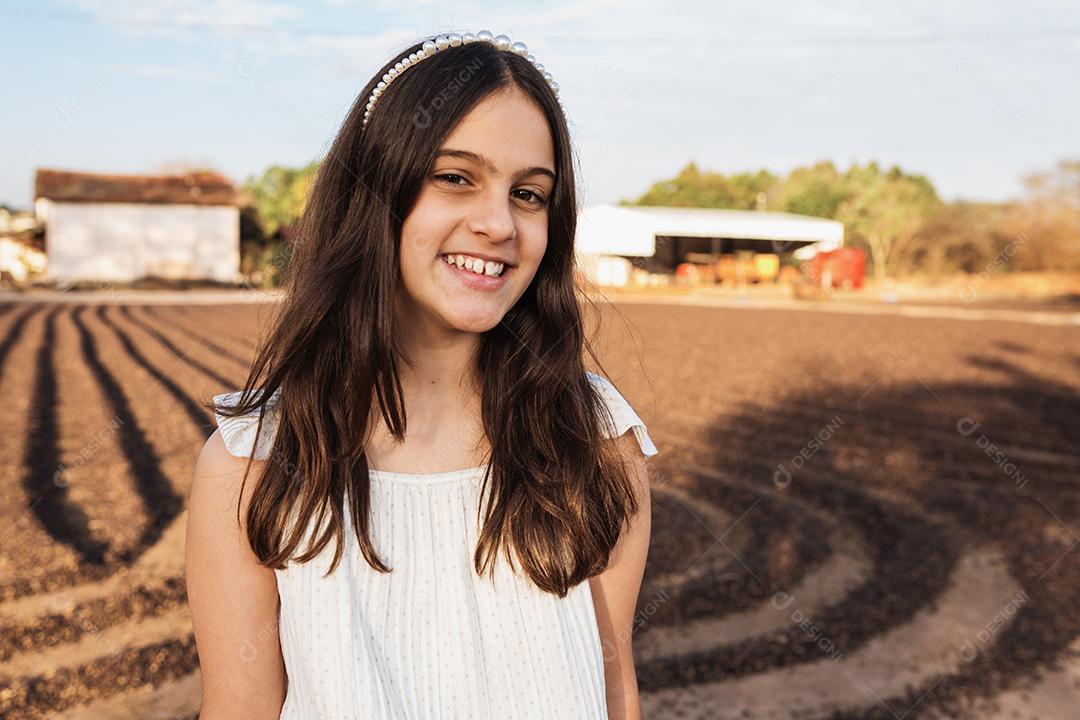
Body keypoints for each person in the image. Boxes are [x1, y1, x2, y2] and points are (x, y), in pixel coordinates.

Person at [184, 29, 659, 720]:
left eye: (529, 194)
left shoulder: (595, 443)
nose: (499, 223)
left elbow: (615, 692)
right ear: (375, 192)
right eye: (456, 178)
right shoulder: (255, 465)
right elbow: (239, 709)